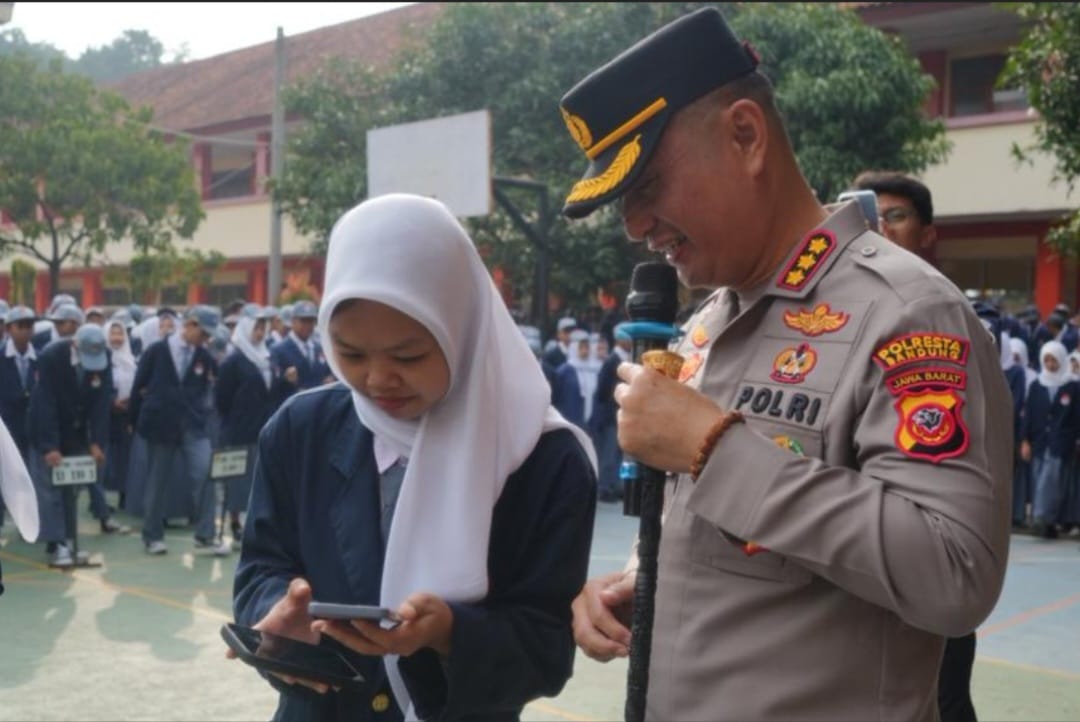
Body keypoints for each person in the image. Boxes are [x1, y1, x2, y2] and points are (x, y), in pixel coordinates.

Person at [558, 8, 1012, 721]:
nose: (635, 226)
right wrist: (642, 581)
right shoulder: (709, 324)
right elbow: (734, 540)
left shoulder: (906, 312)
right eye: (622, 203)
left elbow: (956, 574)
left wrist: (715, 452)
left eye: (645, 185)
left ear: (745, 135)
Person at [230, 193, 597, 721]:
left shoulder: (542, 458)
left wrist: (450, 632)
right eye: (350, 354)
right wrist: (275, 611)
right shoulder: (300, 430)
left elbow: (545, 651)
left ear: (462, 331)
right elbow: (263, 563)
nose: (378, 380)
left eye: (408, 356)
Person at [856, 171, 987, 722]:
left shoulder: (948, 315)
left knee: (944, 697)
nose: (882, 227)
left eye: (898, 216)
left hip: (930, 544)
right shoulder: (845, 316)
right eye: (872, 214)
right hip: (862, 548)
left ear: (928, 233)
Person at [129, 305, 230, 556]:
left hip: (193, 426)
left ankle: (206, 534)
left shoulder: (204, 357)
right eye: (204, 333)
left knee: (208, 472)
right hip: (160, 425)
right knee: (157, 481)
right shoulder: (155, 351)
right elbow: (138, 386)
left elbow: (210, 388)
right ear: (191, 324)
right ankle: (152, 535)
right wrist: (134, 421)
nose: (206, 339)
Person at [26, 324, 121, 567]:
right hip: (45, 428)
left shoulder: (105, 359)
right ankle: (58, 544)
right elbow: (46, 402)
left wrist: (97, 442)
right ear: (75, 345)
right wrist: (50, 446)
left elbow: (101, 403)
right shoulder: (50, 357)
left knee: (70, 490)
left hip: (75, 433)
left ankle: (65, 539)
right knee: (50, 491)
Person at [214, 308, 285, 546]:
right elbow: (222, 398)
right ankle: (235, 523)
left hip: (264, 426)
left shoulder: (267, 356)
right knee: (238, 479)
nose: (259, 333)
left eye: (262, 328)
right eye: (255, 327)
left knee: (259, 478)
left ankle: (255, 523)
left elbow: (273, 390)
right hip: (240, 428)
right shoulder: (234, 361)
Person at [1020, 341, 1079, 540]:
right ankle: (1049, 523)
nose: (1051, 364)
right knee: (1039, 480)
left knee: (1052, 480)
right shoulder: (1037, 385)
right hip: (1039, 442)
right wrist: (1025, 440)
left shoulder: (1072, 386)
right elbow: (1029, 415)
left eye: (1054, 360)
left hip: (1061, 443)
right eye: (1047, 360)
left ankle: (1043, 517)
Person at [269, 300, 334, 403]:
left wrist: (331, 378)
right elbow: (273, 385)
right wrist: (286, 379)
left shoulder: (319, 347)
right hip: (292, 406)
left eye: (311, 321)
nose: (308, 325)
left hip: (319, 405)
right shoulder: (279, 349)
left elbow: (328, 372)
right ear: (293, 321)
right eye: (303, 321)